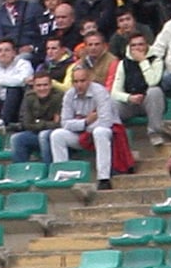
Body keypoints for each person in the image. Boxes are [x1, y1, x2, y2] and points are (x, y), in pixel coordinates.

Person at [49, 61, 119, 190]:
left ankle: (104, 178)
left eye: (82, 81)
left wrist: (82, 126)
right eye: (75, 82)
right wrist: (85, 122)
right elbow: (65, 123)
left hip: (104, 133)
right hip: (82, 132)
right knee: (57, 135)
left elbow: (106, 121)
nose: (79, 85)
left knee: (100, 132)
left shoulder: (100, 92)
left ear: (89, 79)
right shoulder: (69, 95)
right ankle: (63, 177)